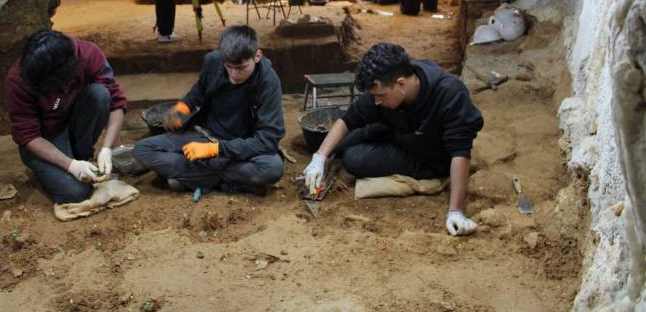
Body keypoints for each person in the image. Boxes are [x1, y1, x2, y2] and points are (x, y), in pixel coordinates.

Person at [302, 43, 483, 236]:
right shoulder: (386, 87)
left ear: (401, 84)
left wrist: (456, 211)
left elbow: (460, 153)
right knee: (340, 143)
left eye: (381, 96)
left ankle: (419, 170)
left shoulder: (450, 94)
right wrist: (319, 158)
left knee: (353, 159)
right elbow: (347, 120)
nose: (377, 101)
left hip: (428, 155)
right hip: (398, 132)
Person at [133, 25, 285, 195]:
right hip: (204, 135)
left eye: (241, 68)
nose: (234, 74)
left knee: (273, 168)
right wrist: (183, 107)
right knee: (142, 149)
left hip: (242, 145)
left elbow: (267, 140)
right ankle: (229, 183)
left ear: (257, 56)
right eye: (229, 66)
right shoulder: (213, 61)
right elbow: (199, 90)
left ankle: (197, 178)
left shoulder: (268, 82)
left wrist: (215, 150)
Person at [4, 31, 127, 204]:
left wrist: (107, 149)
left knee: (100, 94)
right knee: (76, 194)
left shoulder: (88, 54)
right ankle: (64, 164)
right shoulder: (19, 78)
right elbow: (28, 135)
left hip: (74, 122)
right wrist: (71, 166)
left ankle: (80, 155)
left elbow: (117, 104)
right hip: (44, 139)